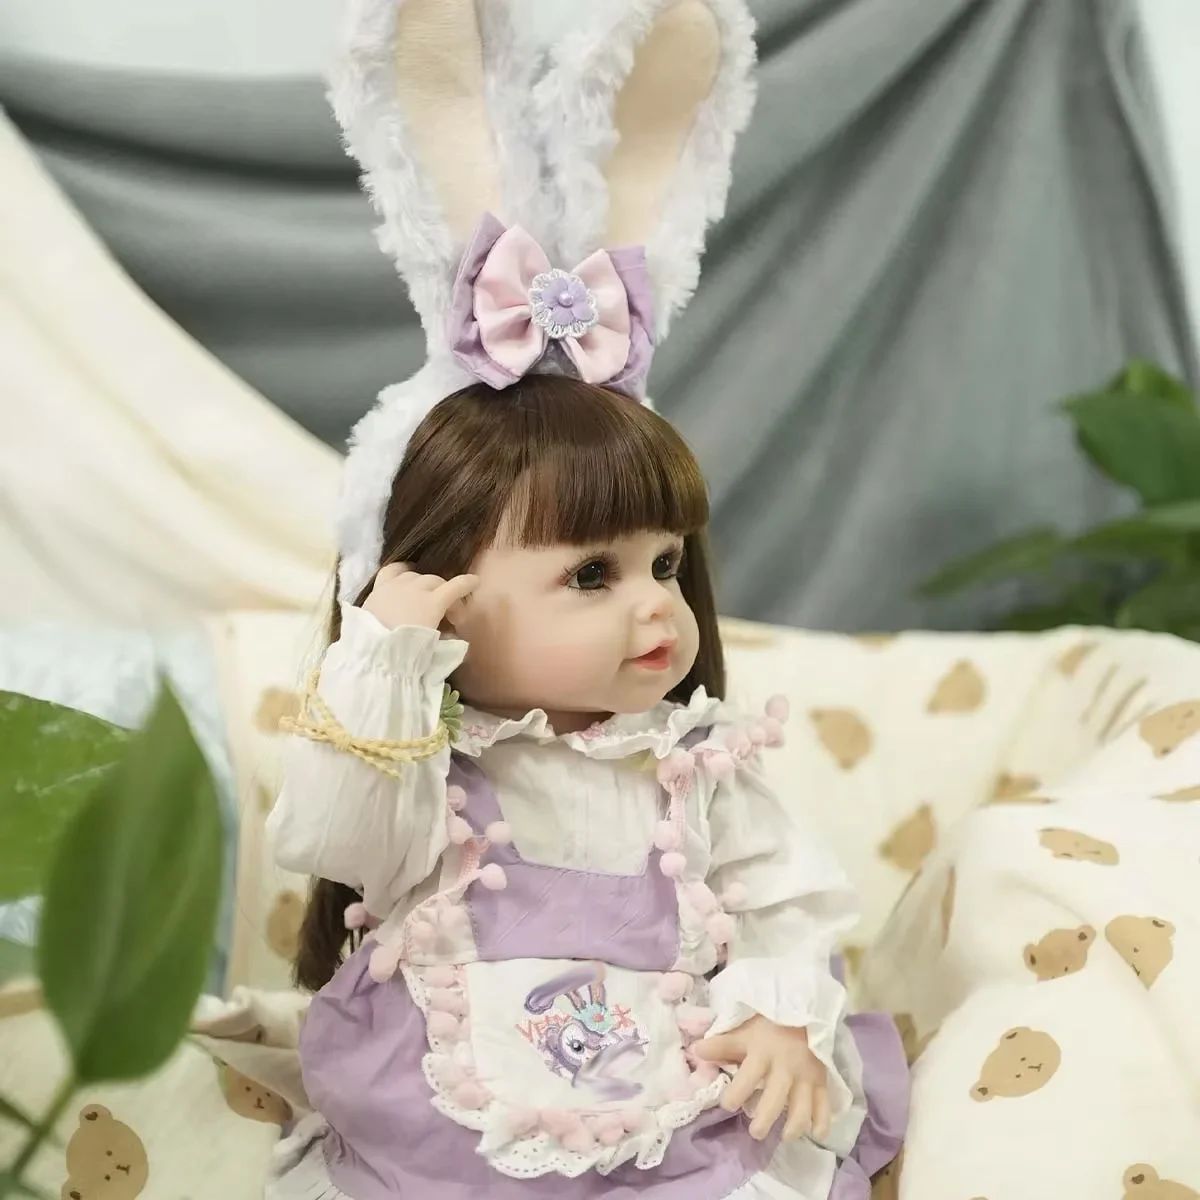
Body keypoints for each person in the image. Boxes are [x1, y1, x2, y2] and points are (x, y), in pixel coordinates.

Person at [265, 2, 906, 1196]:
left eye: (664, 565)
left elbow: (781, 898)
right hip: (446, 1123)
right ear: (446, 591)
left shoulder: (693, 765)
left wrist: (778, 1014)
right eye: (591, 575)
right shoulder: (428, 769)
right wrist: (385, 657)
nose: (657, 607)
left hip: (675, 1106)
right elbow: (329, 836)